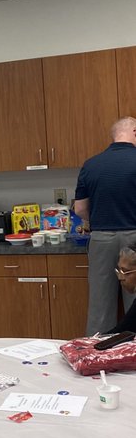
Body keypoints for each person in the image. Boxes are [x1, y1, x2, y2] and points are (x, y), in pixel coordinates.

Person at [74, 117, 136, 334]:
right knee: (135, 304)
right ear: (134, 132)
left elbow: (80, 209)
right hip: (135, 240)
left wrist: (96, 221)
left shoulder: (91, 165)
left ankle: (96, 356)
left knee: (100, 305)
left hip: (101, 238)